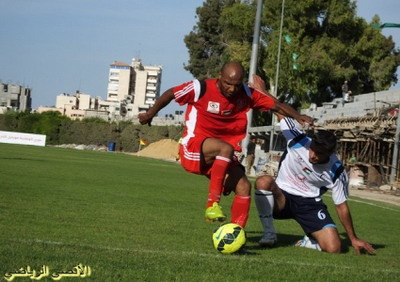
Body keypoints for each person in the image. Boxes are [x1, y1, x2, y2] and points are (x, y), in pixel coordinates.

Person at [138, 61, 313, 229]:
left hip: (222, 156)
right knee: (225, 147)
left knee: (244, 186)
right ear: (219, 76)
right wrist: (150, 113)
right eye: (228, 83)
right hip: (195, 148)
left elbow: (277, 105)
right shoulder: (201, 88)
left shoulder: (246, 94)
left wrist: (298, 116)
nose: (232, 89)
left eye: (237, 85)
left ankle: (236, 233)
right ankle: (212, 204)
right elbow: (170, 93)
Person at [254, 113, 376, 254]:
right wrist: (296, 114)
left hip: (309, 204)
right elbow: (278, 109)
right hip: (282, 197)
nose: (312, 155)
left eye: (319, 153)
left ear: (330, 153)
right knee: (263, 181)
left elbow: (341, 206)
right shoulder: (297, 139)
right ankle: (269, 233)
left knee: (334, 248)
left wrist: (353, 238)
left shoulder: (337, 172)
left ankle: (308, 242)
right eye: (312, 148)